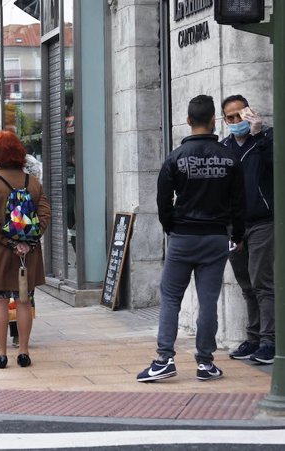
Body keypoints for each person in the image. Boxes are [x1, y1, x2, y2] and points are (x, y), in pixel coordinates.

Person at [137, 95, 245, 382]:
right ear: (213, 120)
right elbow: (239, 203)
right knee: (208, 300)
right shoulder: (230, 159)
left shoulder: (175, 158)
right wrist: (237, 234)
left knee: (171, 297)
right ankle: (205, 363)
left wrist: (171, 226)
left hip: (183, 236)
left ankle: (164, 359)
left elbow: (162, 200)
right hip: (214, 237)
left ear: (188, 121)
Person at [0, 131, 51, 368]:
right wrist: (28, 241)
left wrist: (7, 240)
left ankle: (1, 353)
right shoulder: (33, 181)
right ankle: (25, 351)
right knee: (24, 301)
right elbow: (45, 213)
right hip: (27, 255)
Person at [221, 95, 275, 365]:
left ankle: (269, 341)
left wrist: (259, 136)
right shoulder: (224, 148)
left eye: (239, 115)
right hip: (235, 226)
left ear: (249, 112)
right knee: (246, 285)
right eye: (229, 118)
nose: (235, 121)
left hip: (263, 222)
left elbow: (275, 167)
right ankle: (253, 338)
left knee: (262, 283)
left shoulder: (266, 139)